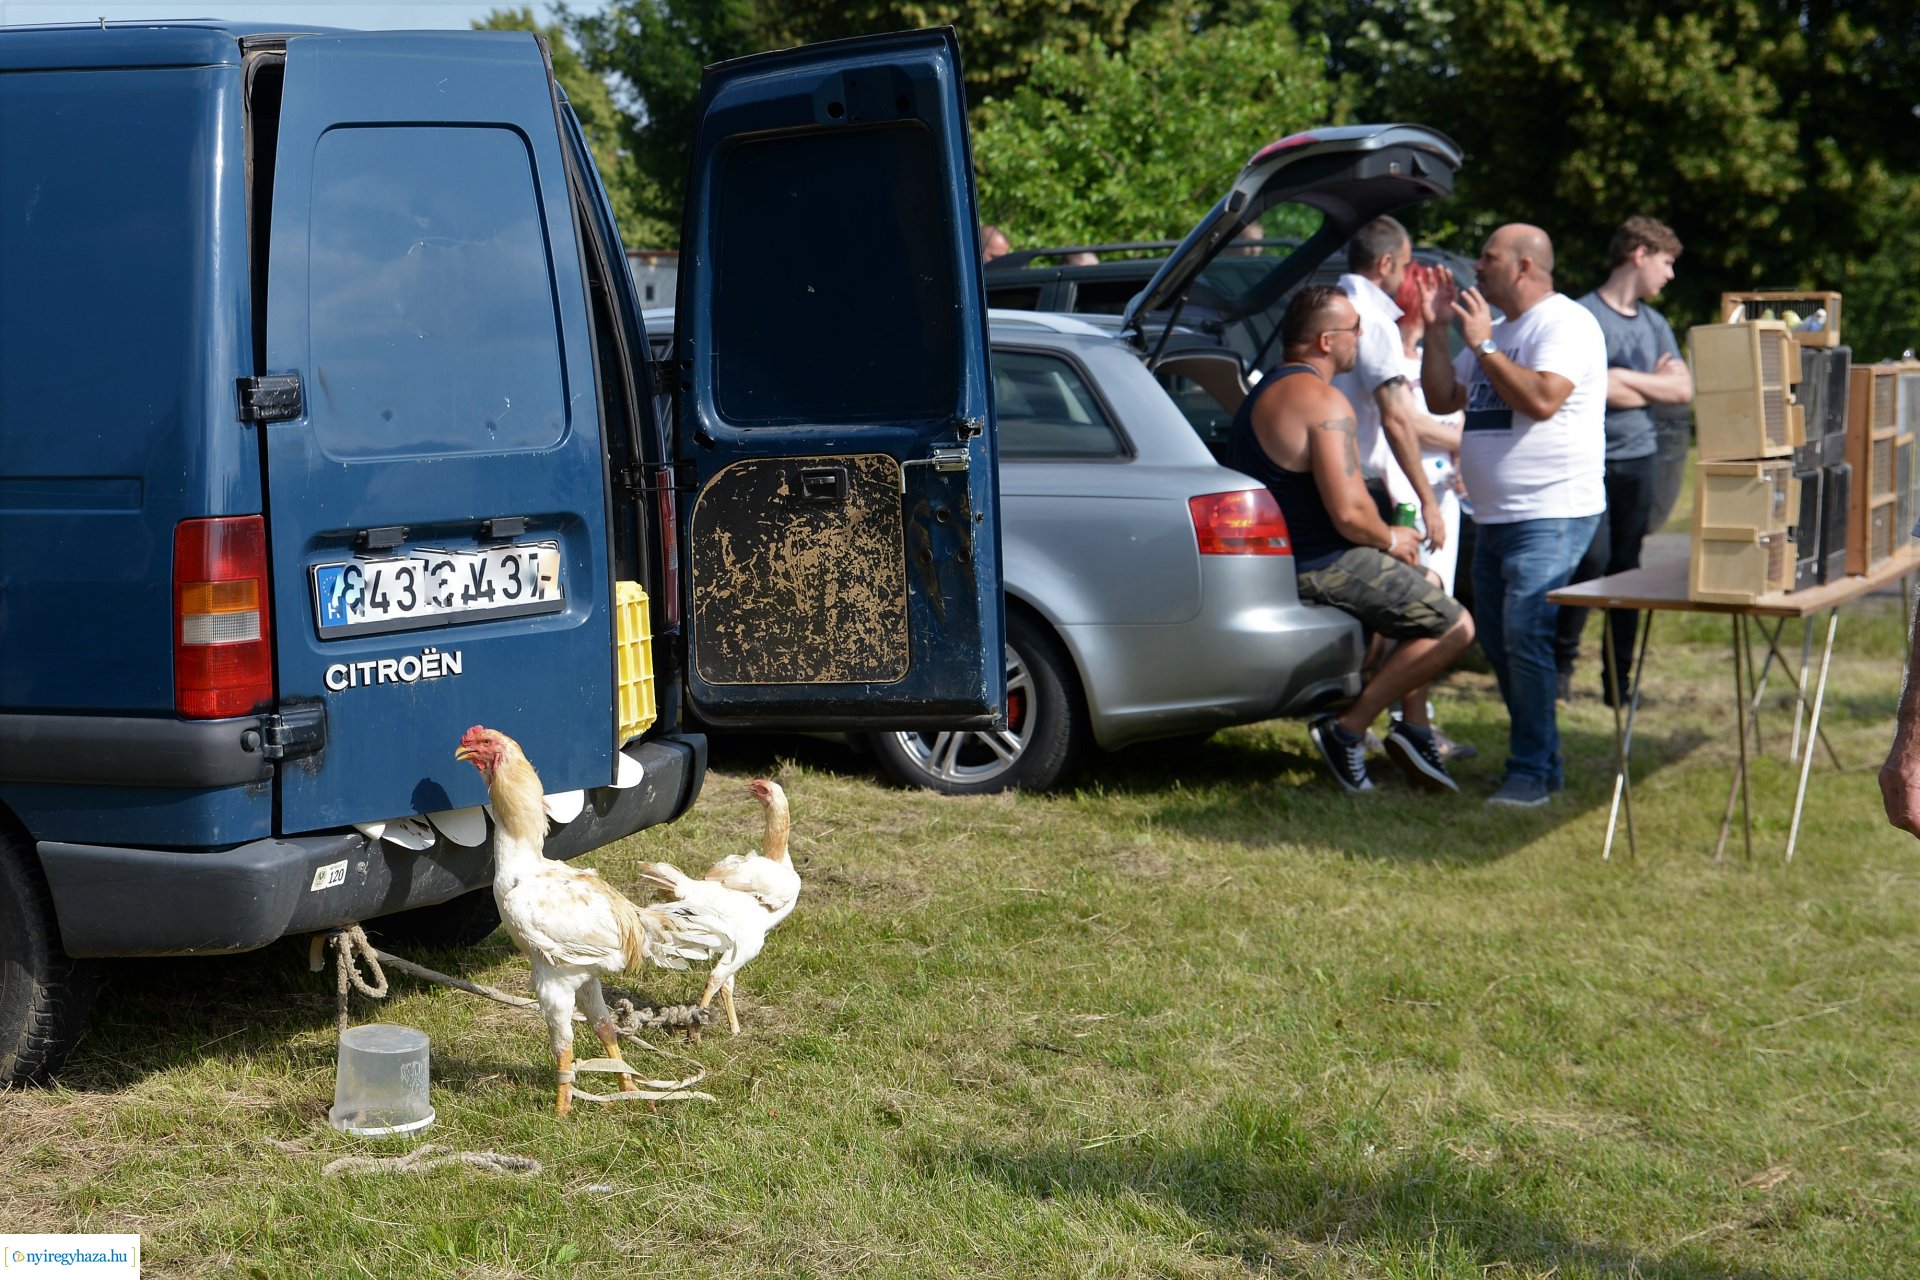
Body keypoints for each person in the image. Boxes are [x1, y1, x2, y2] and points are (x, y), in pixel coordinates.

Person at [1227, 285, 1476, 795]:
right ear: (1326, 340)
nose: (1360, 339)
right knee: (1456, 627)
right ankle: (1348, 729)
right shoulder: (1323, 400)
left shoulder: (1269, 388)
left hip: (1292, 557)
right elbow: (1348, 512)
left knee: (1426, 581)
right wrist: (1391, 537)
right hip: (1319, 561)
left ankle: (1413, 729)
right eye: (1355, 330)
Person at [1419, 225, 1607, 808]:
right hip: (1496, 515)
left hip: (1551, 511)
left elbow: (1543, 400)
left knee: (1525, 635)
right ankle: (1541, 762)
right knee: (1502, 644)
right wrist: (1434, 329)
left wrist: (1482, 346)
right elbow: (1440, 397)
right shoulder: (1496, 331)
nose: (1477, 265)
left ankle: (1529, 771)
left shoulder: (1565, 324)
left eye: (1488, 256)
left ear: (1525, 267)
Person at [1554, 216, 1692, 704]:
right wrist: (1630, 383)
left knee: (1628, 569)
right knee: (1587, 565)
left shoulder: (1655, 324)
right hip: (1587, 461)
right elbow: (1589, 385)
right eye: (1666, 262)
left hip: (1640, 459)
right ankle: (1560, 673)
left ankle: (1618, 685)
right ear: (1639, 254)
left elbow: (1682, 390)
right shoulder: (1580, 315)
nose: (1670, 275)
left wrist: (1618, 378)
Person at [1333, 216, 1449, 556]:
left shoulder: (1322, 307)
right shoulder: (1374, 320)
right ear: (1385, 263)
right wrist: (1429, 502)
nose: (1404, 273)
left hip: (1328, 481)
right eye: (1405, 263)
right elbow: (1397, 417)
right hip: (1367, 488)